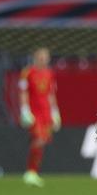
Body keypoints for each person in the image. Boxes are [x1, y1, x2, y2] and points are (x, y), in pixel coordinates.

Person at [19, 47, 60, 187]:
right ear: (35, 57)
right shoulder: (27, 72)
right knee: (39, 139)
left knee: (42, 141)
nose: (43, 58)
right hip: (34, 112)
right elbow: (23, 92)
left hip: (46, 112)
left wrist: (55, 112)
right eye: (40, 56)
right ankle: (30, 172)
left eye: (45, 56)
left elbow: (51, 94)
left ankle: (33, 172)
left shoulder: (50, 74)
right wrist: (25, 110)